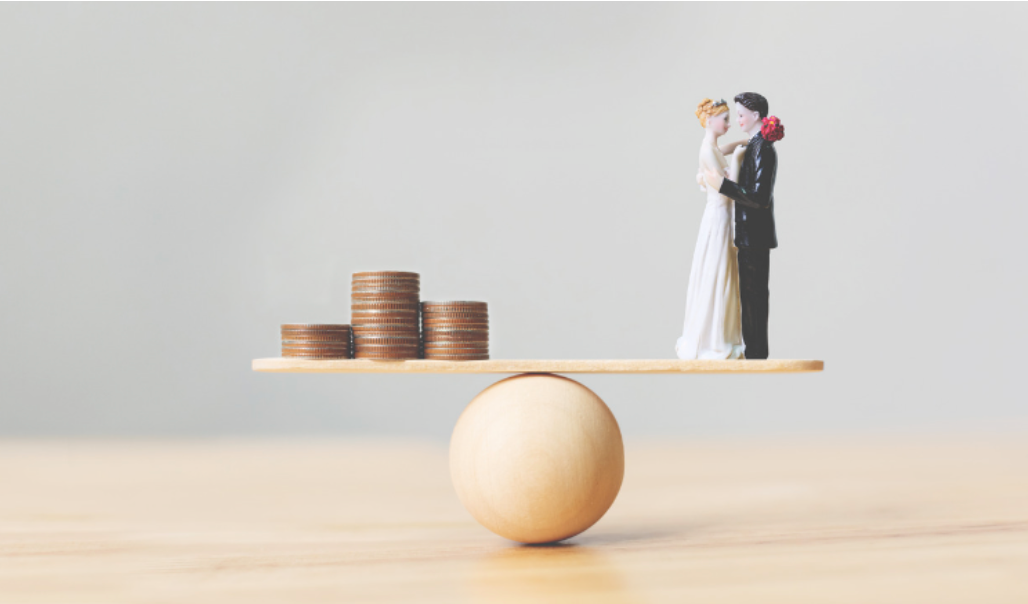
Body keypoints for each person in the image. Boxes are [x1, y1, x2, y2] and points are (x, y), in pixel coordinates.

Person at [702, 92, 781, 360]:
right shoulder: (754, 144)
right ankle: (753, 351)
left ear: (755, 115)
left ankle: (757, 353)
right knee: (749, 296)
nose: (736, 120)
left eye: (740, 115)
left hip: (755, 236)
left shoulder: (764, 150)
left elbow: (759, 197)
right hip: (748, 235)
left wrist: (723, 185)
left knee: (755, 296)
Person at [675, 98, 746, 360]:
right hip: (720, 215)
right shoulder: (706, 151)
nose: (729, 123)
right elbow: (726, 187)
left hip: (723, 214)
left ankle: (720, 333)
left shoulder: (711, 147)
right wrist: (739, 158)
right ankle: (714, 339)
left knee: (723, 266)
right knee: (718, 267)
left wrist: (738, 144)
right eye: (725, 119)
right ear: (710, 121)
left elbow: (720, 151)